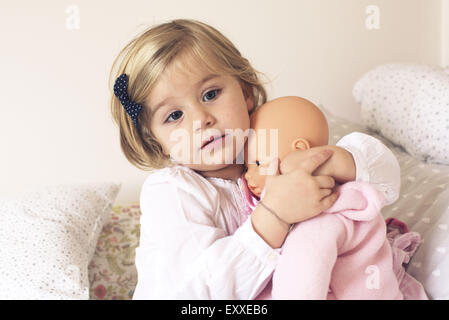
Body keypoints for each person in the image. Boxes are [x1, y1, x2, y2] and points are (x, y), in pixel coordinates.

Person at [109, 19, 401, 299]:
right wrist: (274, 215)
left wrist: (327, 164)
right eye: (174, 116)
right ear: (156, 143)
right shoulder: (172, 192)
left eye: (210, 94)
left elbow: (387, 182)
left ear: (246, 93)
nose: (201, 119)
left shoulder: (273, 141)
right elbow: (201, 292)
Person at [242, 96, 427, 299]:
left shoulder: (320, 216)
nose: (248, 176)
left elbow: (303, 276)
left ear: (301, 152)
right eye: (246, 167)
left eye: (258, 163)